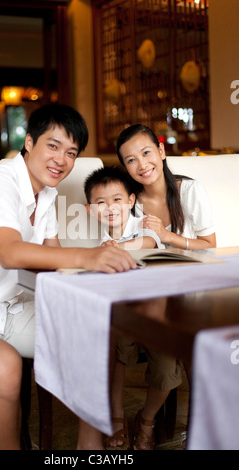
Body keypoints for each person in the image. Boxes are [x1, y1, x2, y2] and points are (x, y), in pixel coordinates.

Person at [0, 103, 137, 450]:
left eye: (72, 152)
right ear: (29, 142)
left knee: (95, 329)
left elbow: (52, 260)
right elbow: (10, 252)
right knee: (4, 366)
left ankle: (88, 448)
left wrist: (99, 284)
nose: (62, 159)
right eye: (53, 145)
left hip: (10, 307)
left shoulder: (46, 194)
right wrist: (89, 256)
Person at [106, 123, 216, 450]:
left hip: (186, 291)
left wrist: (168, 237)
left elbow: (209, 243)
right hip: (143, 290)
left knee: (168, 357)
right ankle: (113, 419)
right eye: (130, 160)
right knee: (113, 337)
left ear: (161, 151)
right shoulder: (130, 201)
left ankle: (147, 420)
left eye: (146, 153)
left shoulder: (188, 191)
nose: (141, 164)